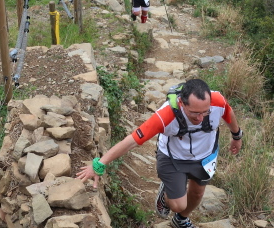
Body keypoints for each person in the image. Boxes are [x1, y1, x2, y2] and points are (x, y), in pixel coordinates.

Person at [77, 79, 243, 228]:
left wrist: (237, 135)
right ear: (182, 103)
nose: (200, 118)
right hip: (173, 157)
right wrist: (100, 164)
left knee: (198, 193)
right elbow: (132, 140)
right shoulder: (166, 115)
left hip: (205, 155)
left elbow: (228, 113)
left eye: (205, 112)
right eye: (194, 113)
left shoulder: (217, 101)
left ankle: (181, 220)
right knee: (178, 205)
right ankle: (168, 191)